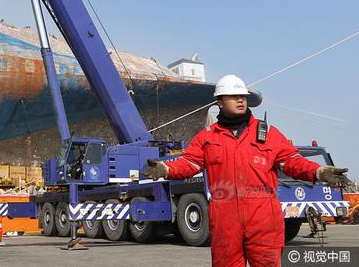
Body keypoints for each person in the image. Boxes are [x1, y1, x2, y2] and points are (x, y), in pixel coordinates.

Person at [143, 75, 351, 267]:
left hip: (263, 216)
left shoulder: (267, 133)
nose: (241, 100)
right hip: (225, 217)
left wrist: (319, 172)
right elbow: (190, 163)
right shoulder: (208, 137)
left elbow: (291, 161)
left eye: (242, 96)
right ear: (220, 102)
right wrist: (165, 168)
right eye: (234, 97)